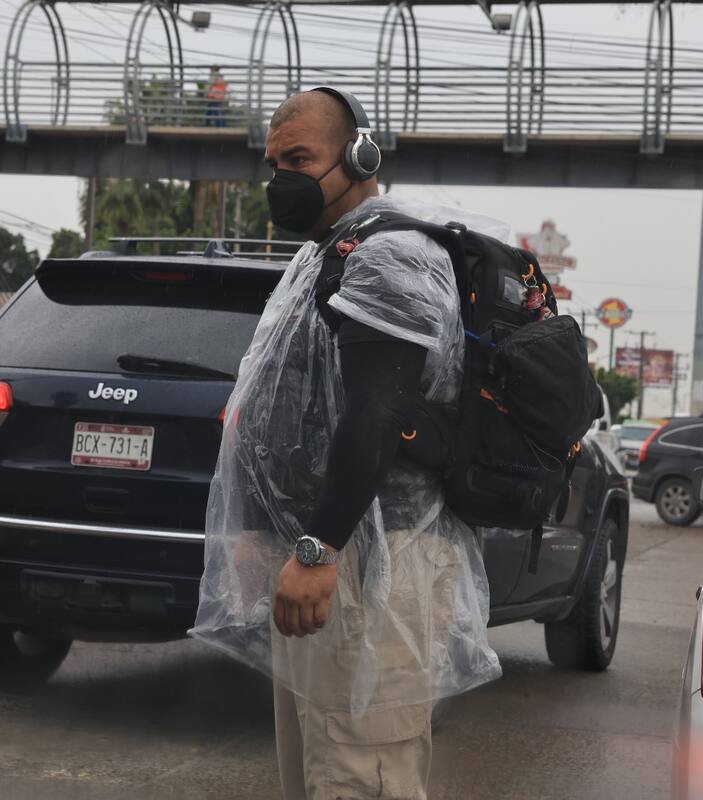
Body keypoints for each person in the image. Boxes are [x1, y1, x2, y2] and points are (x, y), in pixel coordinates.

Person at [190, 88, 502, 799]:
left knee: (363, 778)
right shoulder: (328, 253)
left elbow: (376, 413)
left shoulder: (391, 254)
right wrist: (262, 533)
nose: (283, 179)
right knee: (320, 773)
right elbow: (296, 408)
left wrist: (317, 547)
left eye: (300, 158)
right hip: (330, 558)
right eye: (273, 163)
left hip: (378, 561)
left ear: (360, 158)